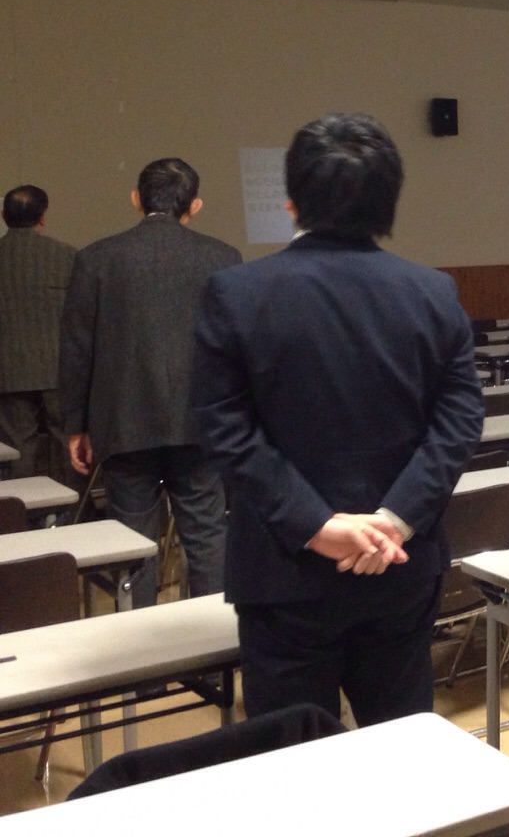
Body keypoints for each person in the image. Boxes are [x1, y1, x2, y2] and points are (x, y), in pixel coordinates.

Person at [191, 113, 481, 725]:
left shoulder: (237, 293)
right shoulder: (433, 292)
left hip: (285, 569)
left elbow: (224, 428)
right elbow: (458, 422)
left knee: (294, 758)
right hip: (400, 565)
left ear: (292, 203)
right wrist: (395, 521)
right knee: (400, 746)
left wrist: (316, 525)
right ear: (389, 204)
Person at [58, 160, 238, 606]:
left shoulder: (96, 258)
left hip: (123, 421)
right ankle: (213, 636)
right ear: (194, 205)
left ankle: (141, 640)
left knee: (133, 539)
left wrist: (76, 425)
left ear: (136, 200)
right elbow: (235, 346)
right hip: (201, 422)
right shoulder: (223, 257)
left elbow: (78, 349)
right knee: (208, 535)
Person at [0, 185, 77, 482]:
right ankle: (70, 506)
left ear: (4, 215)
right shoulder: (66, 256)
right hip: (59, 368)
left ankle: (21, 508)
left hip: (8, 370)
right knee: (66, 443)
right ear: (42, 217)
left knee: (17, 448)